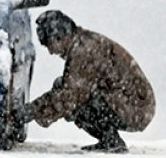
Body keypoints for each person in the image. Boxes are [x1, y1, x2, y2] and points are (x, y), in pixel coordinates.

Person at [16, 10, 155, 153]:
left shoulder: (84, 51)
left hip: (135, 107)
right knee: (65, 89)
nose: (51, 52)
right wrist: (36, 111)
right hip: (131, 103)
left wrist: (31, 112)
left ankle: (111, 141)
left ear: (60, 37)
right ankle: (109, 139)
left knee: (74, 99)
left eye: (50, 45)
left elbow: (70, 96)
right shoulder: (83, 43)